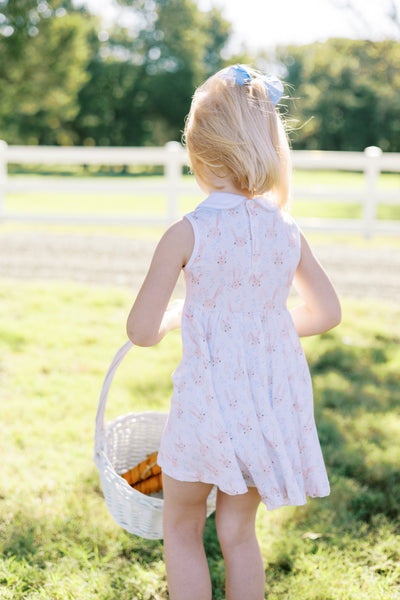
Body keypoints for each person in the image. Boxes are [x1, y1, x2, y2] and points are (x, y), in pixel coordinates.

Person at [126, 64, 341, 600]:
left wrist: (180, 316)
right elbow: (327, 312)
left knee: (180, 526)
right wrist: (262, 332)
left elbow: (141, 331)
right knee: (239, 534)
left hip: (203, 417)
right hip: (259, 420)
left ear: (196, 152)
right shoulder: (285, 230)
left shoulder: (186, 232)